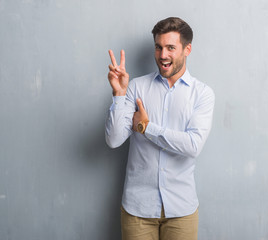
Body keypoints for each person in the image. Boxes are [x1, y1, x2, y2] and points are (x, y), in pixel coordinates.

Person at [105, 17, 215, 240]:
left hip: (181, 209)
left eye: (171, 48)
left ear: (187, 49)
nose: (163, 55)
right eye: (158, 47)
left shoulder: (202, 94)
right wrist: (119, 94)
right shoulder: (136, 87)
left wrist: (146, 127)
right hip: (138, 209)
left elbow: (193, 146)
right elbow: (114, 140)